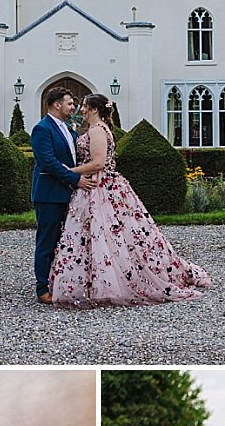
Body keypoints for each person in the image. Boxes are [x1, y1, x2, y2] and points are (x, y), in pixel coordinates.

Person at [48, 93, 211, 305]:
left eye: (85, 107)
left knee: (104, 232)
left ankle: (111, 280)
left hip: (99, 187)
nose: (82, 110)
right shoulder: (96, 129)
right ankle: (95, 278)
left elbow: (98, 163)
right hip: (94, 186)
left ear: (95, 109)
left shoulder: (97, 131)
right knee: (99, 235)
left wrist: (69, 171)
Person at [30, 85, 81, 303]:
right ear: (57, 105)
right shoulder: (42, 129)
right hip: (49, 194)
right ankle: (42, 289)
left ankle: (58, 280)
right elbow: (48, 161)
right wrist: (76, 179)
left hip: (66, 193)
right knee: (47, 241)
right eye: (69, 103)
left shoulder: (69, 129)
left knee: (65, 241)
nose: (73, 107)